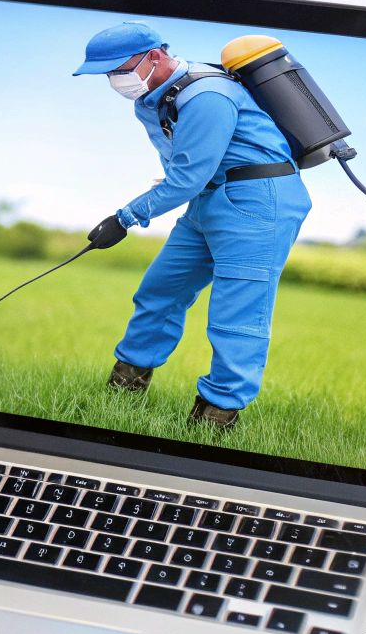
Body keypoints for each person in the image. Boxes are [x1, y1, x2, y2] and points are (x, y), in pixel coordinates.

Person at [72, 21, 311, 430]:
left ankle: (214, 419)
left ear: (157, 56)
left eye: (121, 69)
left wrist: (125, 217)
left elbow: (186, 176)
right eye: (109, 74)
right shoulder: (149, 100)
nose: (116, 80)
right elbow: (182, 169)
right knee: (159, 292)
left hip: (258, 204)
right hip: (208, 200)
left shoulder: (208, 97)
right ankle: (122, 392)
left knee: (235, 315)